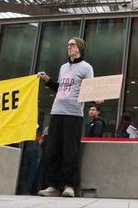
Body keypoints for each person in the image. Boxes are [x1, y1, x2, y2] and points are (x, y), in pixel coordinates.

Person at [35, 37, 94, 198]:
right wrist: (48, 80)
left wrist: (97, 97)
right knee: (52, 149)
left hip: (73, 114)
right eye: (68, 45)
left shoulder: (86, 68)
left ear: (79, 48)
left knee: (70, 150)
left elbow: (91, 89)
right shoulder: (63, 67)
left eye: (72, 45)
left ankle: (69, 185)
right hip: (56, 112)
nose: (68, 47)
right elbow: (61, 89)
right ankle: (53, 185)